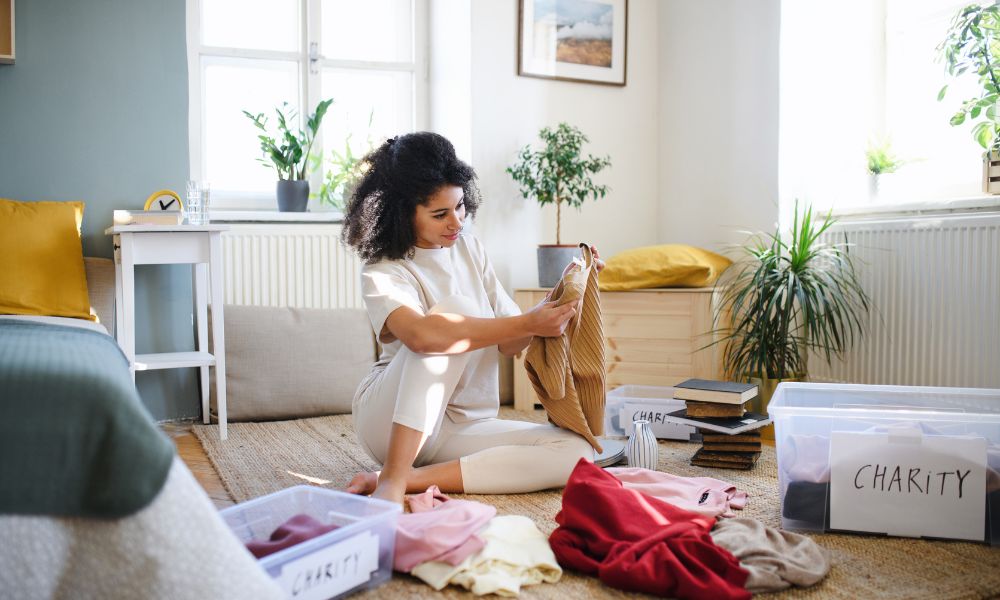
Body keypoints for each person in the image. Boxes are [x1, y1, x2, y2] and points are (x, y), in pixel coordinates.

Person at [340, 131, 601, 505]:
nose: (457, 222)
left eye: (461, 206)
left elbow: (512, 341)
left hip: (464, 424)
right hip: (390, 422)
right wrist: (527, 323)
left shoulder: (470, 248)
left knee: (577, 452)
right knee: (453, 316)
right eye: (440, 214)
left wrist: (560, 298)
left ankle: (410, 479)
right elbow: (422, 336)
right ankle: (393, 478)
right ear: (402, 212)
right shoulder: (383, 269)